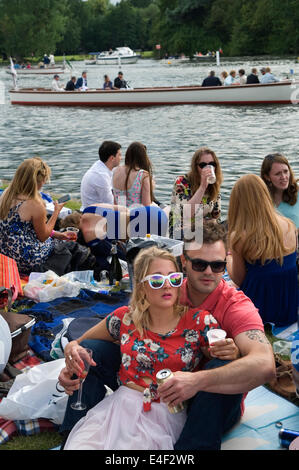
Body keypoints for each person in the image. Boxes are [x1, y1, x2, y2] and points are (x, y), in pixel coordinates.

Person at [58, 221, 275, 450]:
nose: (209, 272)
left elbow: (265, 364)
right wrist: (72, 352)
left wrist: (198, 378)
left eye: (218, 265)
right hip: (142, 390)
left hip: (205, 403)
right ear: (184, 262)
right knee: (94, 349)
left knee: (224, 365)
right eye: (200, 264)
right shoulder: (165, 287)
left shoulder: (233, 307)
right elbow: (111, 330)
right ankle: (73, 432)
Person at [227, 174, 298, 326]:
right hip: (288, 309)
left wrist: (228, 258)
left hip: (258, 312)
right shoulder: (290, 225)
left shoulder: (240, 236)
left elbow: (238, 279)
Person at [0, 158, 77, 275]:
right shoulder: (35, 204)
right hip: (24, 259)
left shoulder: (6, 194)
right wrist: (56, 212)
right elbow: (43, 237)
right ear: (37, 182)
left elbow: (23, 229)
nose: (45, 183)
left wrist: (58, 235)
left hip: (5, 255)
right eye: (44, 180)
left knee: (57, 240)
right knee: (67, 249)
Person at [169, 147, 222, 239]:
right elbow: (186, 214)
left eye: (212, 164)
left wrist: (209, 224)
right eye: (203, 165)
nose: (208, 168)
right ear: (195, 167)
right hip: (181, 229)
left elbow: (216, 217)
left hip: (204, 229)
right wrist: (202, 187)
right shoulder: (182, 182)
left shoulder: (213, 185)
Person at [261, 153, 299, 230]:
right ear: (267, 177)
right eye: (278, 174)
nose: (284, 177)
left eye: (286, 171)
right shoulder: (260, 198)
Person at [80, 141, 122, 210]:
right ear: (112, 158)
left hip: (96, 210)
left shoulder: (100, 165)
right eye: (119, 155)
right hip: (94, 215)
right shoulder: (101, 176)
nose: (121, 158)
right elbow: (111, 204)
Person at [112, 141, 155, 207]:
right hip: (136, 215)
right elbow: (146, 206)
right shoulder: (143, 175)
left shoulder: (115, 171)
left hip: (120, 215)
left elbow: (116, 201)